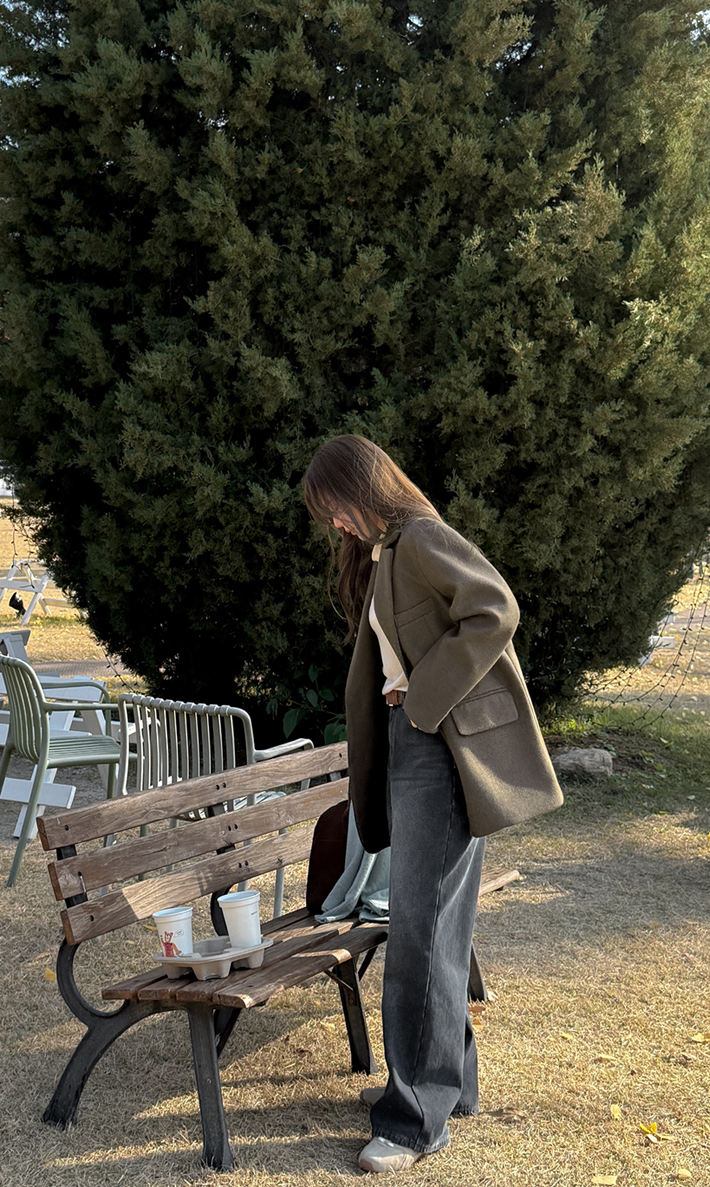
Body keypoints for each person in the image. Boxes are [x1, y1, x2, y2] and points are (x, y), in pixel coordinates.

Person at [302, 435, 563, 1174]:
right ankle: (445, 1086)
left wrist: (420, 700)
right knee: (434, 928)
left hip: (437, 750)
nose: (335, 524)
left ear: (363, 487)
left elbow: (494, 608)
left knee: (418, 931)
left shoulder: (418, 538)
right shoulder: (387, 552)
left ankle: (415, 1119)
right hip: (416, 744)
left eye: (335, 507)